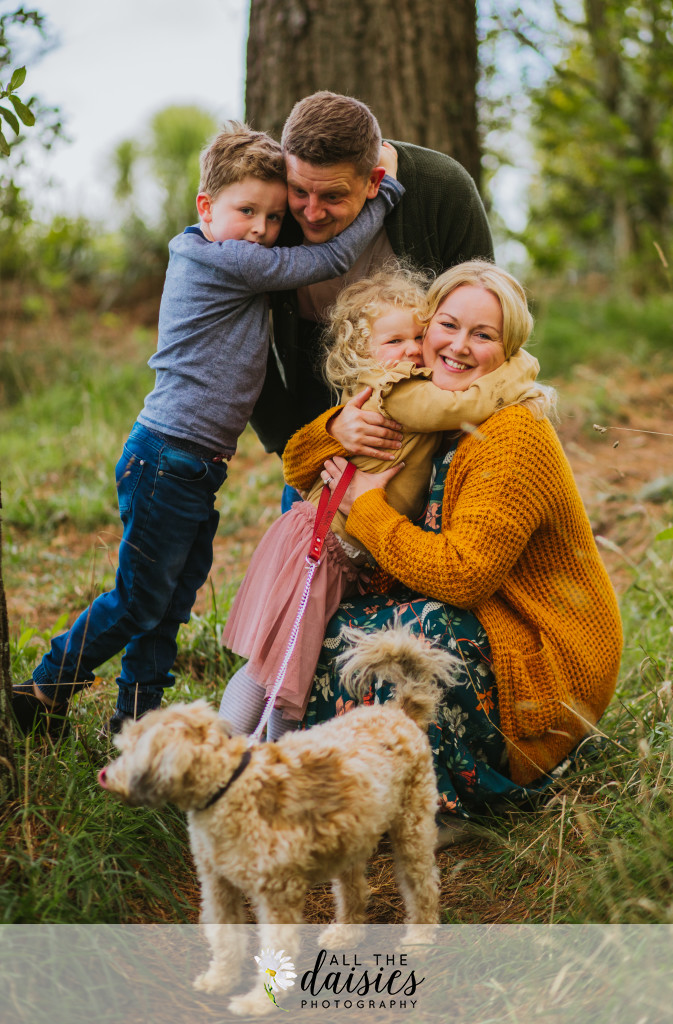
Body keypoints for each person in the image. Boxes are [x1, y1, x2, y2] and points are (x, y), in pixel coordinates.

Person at [11, 122, 406, 737]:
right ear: (206, 207)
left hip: (194, 465)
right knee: (141, 598)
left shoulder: (229, 253)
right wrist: (385, 195)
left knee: (170, 601)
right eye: (247, 211)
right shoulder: (221, 258)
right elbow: (329, 258)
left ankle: (136, 721)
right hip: (166, 457)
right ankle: (46, 684)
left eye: (274, 217)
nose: (261, 229)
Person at [281, 261, 623, 836]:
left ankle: (441, 804)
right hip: (489, 620)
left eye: (483, 335)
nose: (459, 346)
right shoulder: (437, 408)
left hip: (543, 667)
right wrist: (336, 428)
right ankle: (334, 784)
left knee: (408, 638)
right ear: (426, 327)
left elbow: (465, 578)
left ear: (508, 350)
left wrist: (367, 509)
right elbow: (297, 468)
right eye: (447, 325)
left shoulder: (512, 434)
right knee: (332, 624)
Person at [218, 268, 542, 739]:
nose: (411, 350)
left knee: (281, 668)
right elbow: (462, 407)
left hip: (337, 548)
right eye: (394, 341)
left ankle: (257, 756)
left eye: (416, 336)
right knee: (282, 673)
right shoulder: (396, 389)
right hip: (324, 548)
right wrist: (518, 368)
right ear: (363, 353)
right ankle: (234, 749)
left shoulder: (409, 383)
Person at [248, 91, 495, 469]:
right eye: (299, 191)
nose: (311, 212)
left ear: (375, 182)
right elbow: (236, 339)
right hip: (316, 390)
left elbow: (486, 315)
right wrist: (299, 441)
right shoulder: (266, 204)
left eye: (333, 196)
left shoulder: (442, 188)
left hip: (434, 396)